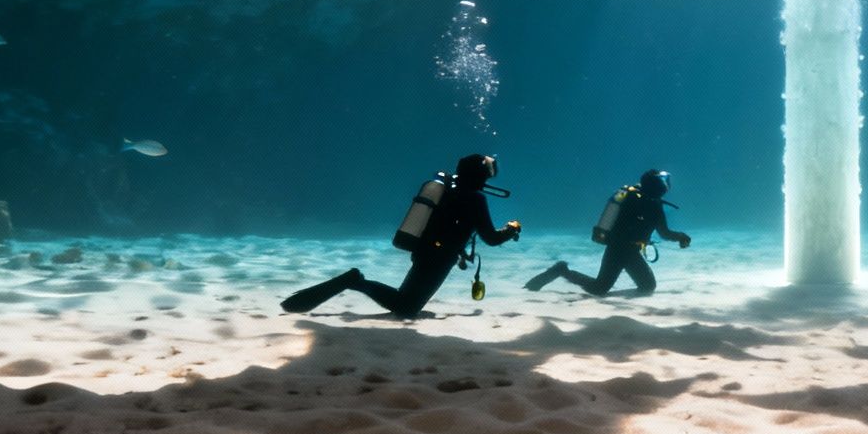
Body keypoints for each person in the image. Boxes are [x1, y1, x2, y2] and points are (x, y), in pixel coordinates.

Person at [280, 153, 521, 317]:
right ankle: (354, 280)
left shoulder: (451, 190)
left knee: (407, 303)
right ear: (480, 176)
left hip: (427, 251)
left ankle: (355, 281)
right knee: (406, 308)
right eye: (488, 172)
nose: (489, 176)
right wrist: (511, 229)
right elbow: (491, 238)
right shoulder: (475, 198)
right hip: (439, 256)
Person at [525, 168, 689, 296]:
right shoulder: (642, 203)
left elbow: (662, 232)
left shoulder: (651, 204)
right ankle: (561, 270)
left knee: (648, 286)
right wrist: (681, 237)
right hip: (618, 249)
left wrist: (681, 237)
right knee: (599, 288)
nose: (667, 187)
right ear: (659, 187)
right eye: (665, 183)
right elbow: (664, 233)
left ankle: (561, 271)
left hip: (630, 250)